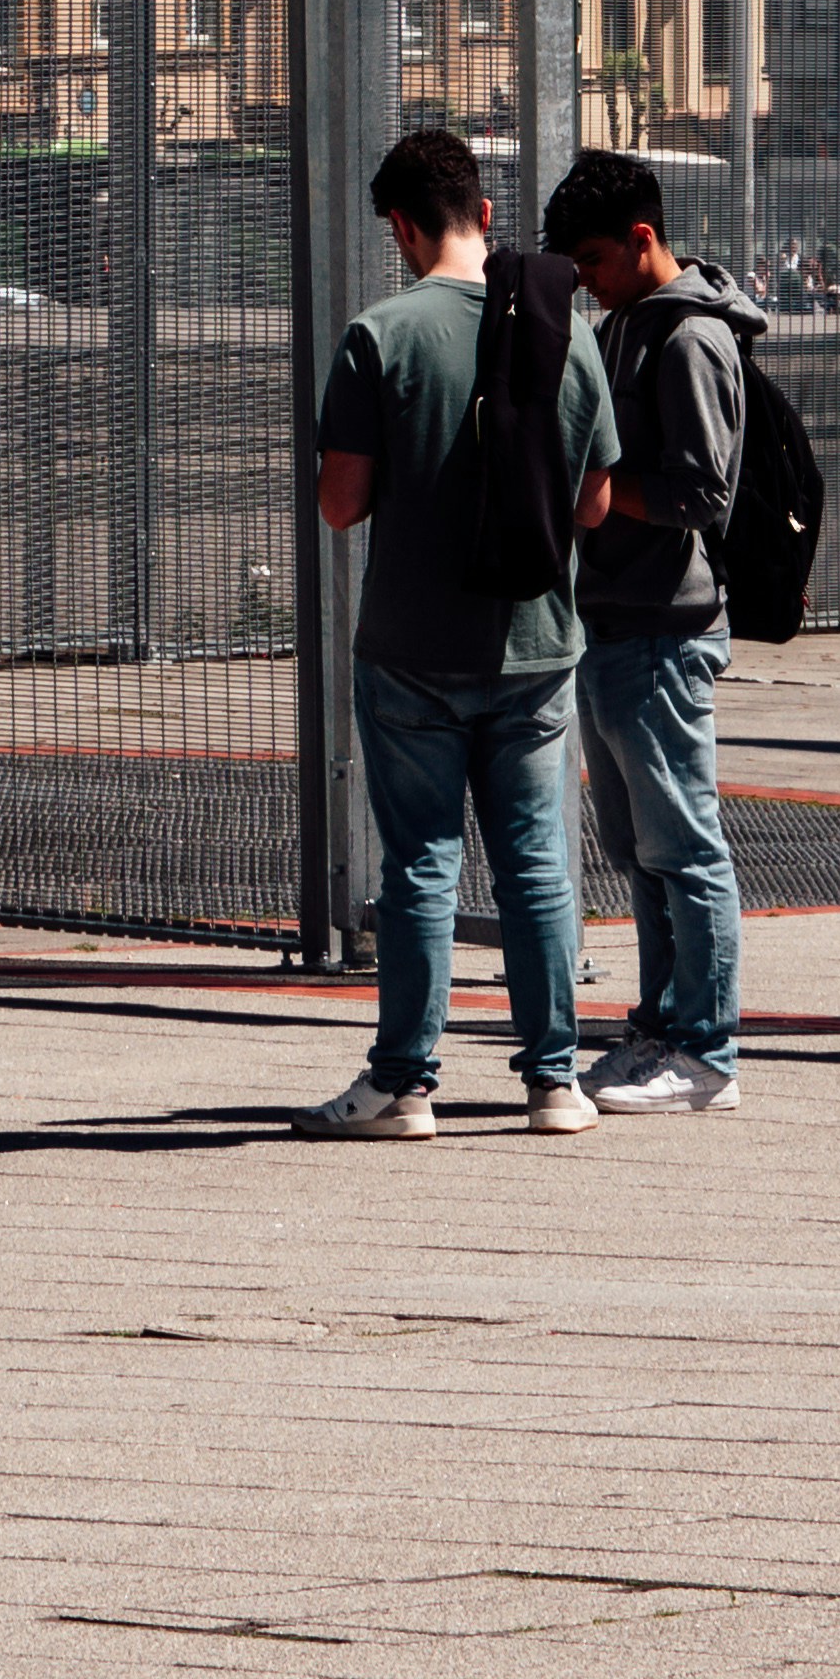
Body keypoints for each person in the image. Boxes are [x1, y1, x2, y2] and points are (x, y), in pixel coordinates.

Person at [296, 121, 617, 1140]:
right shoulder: (562, 330)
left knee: (422, 865)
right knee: (534, 864)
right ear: (485, 213)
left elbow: (340, 506)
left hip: (410, 645)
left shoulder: (379, 336)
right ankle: (554, 1080)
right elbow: (597, 504)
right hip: (535, 642)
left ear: (399, 226)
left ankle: (402, 1085)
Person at [547, 145, 749, 1117]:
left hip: (666, 625)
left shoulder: (687, 341)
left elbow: (706, 490)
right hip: (622, 621)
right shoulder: (627, 325)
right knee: (644, 848)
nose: (584, 282)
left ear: (640, 239)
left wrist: (598, 491)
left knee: (683, 844)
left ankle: (705, 1050)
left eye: (591, 261)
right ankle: (664, 1029)